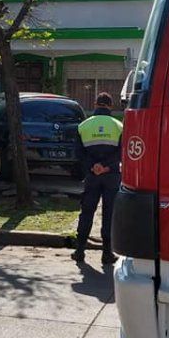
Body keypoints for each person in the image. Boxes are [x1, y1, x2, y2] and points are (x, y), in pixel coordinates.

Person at [72, 92, 124, 266]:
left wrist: (93, 166)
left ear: (95, 104)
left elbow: (79, 153)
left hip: (92, 176)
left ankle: (79, 251)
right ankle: (107, 253)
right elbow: (121, 152)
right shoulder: (119, 126)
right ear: (110, 106)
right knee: (109, 213)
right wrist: (107, 166)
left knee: (87, 212)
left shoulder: (83, 126)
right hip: (111, 177)